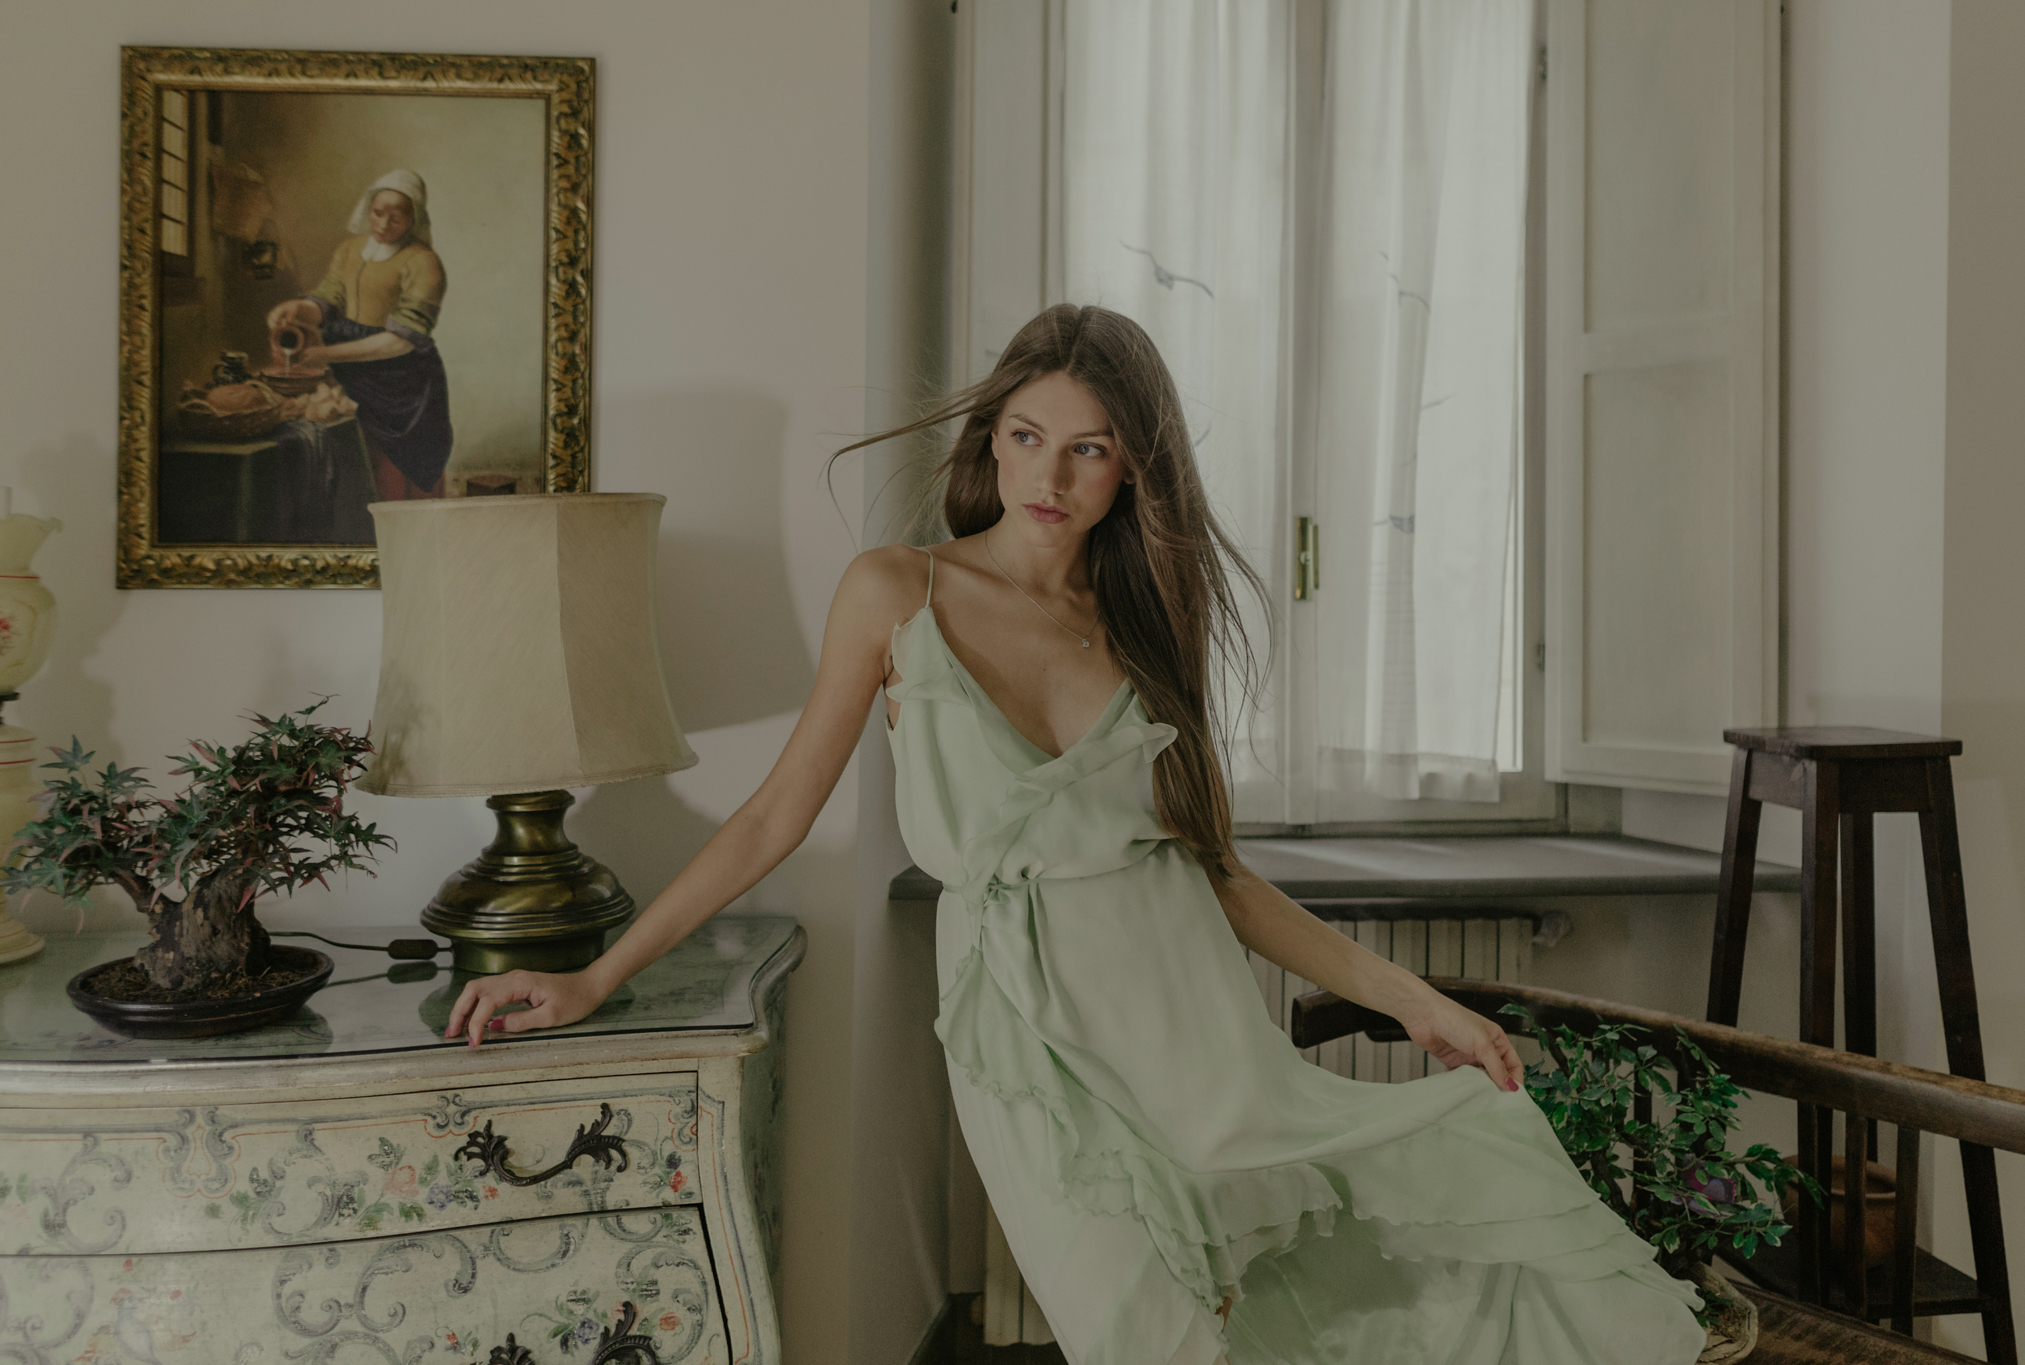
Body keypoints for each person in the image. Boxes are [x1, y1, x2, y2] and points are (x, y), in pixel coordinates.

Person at [443, 306, 1708, 1365]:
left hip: (1188, 1029)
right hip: (1021, 1025)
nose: (1048, 479)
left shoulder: (1146, 628)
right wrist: (596, 974)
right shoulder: (897, 591)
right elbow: (776, 813)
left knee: (1274, 1313)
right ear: (989, 441)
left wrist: (1414, 1003)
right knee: (1132, 1328)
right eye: (1026, 438)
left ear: (1133, 468)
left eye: (1087, 450)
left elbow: (1219, 878)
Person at [266, 169, 453, 501]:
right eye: (377, 213)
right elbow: (329, 300)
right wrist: (298, 309)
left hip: (402, 381)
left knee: (394, 472)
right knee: (350, 464)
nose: (383, 224)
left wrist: (325, 355)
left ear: (413, 219)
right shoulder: (349, 250)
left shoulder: (424, 262)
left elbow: (402, 340)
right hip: (351, 373)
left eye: (396, 218)